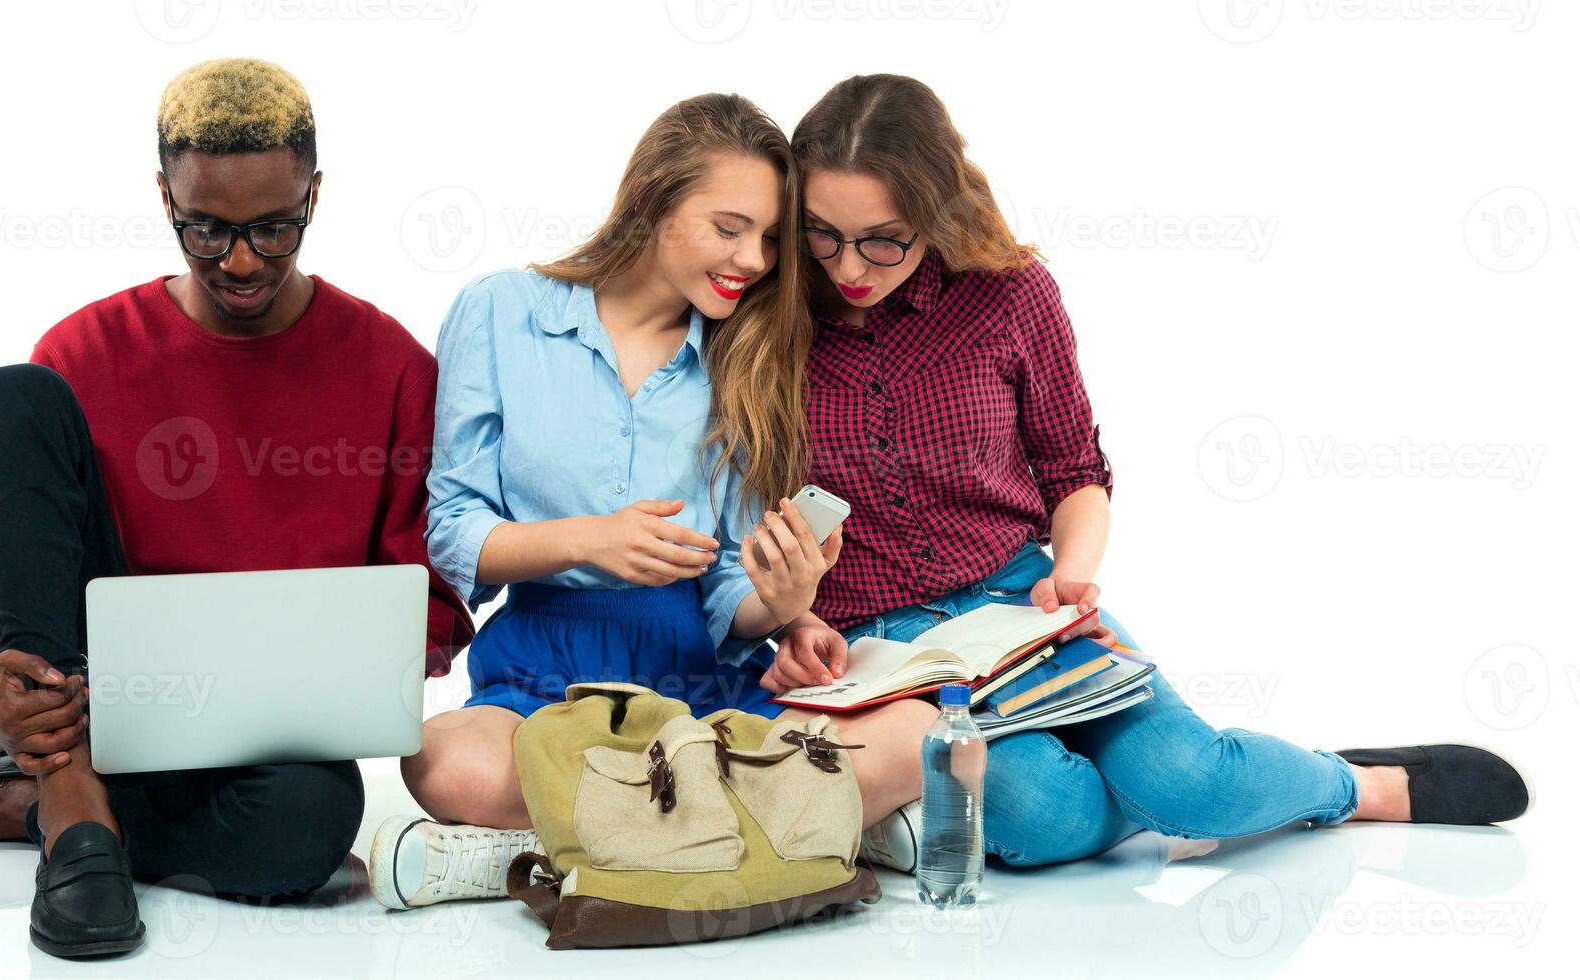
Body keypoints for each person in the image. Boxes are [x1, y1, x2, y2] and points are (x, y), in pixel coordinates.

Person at [752, 73, 1533, 874]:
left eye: (885, 238)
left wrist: (1071, 582)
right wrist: (787, 619)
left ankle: (1355, 784)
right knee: (1041, 817)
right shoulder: (760, 321)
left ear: (934, 211)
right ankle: (1190, 796)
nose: (849, 265)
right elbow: (731, 517)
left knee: (1188, 780)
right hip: (877, 647)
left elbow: (1073, 471)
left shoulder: (1010, 295)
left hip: (1016, 605)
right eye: (821, 235)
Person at [0, 59, 474, 958]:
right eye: (206, 228)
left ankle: (30, 802)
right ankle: (69, 789)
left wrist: (377, 662)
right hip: (83, 692)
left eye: (274, 230)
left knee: (315, 824)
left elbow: (431, 589)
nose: (241, 262)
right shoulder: (85, 350)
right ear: (164, 195)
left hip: (260, 735)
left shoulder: (393, 368)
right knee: (11, 394)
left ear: (316, 195)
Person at [366, 92, 896, 910]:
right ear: (653, 199)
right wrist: (585, 541)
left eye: (766, 238)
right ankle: (783, 828)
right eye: (728, 227)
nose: (753, 260)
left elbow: (726, 582)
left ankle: (533, 851)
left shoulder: (743, 358)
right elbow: (454, 528)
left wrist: (783, 601)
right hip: (545, 663)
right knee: (440, 760)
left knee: (919, 739)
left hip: (693, 669)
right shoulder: (503, 310)